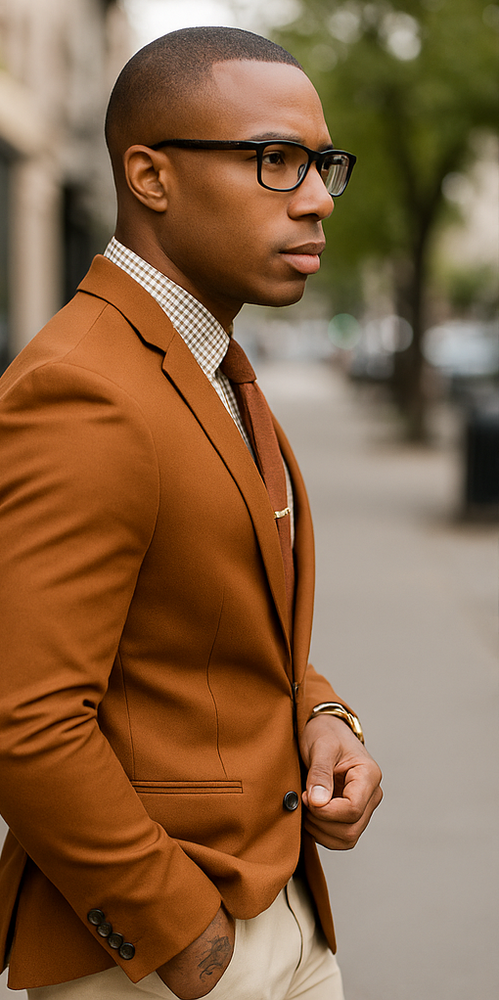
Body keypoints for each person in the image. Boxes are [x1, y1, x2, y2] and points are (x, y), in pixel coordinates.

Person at [0, 26, 382, 1000]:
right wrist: (186, 941)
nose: (315, 197)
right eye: (274, 160)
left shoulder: (208, 363)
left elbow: (212, 620)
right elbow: (26, 719)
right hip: (165, 958)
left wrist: (321, 710)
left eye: (320, 163)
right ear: (150, 176)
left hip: (283, 906)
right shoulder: (83, 388)